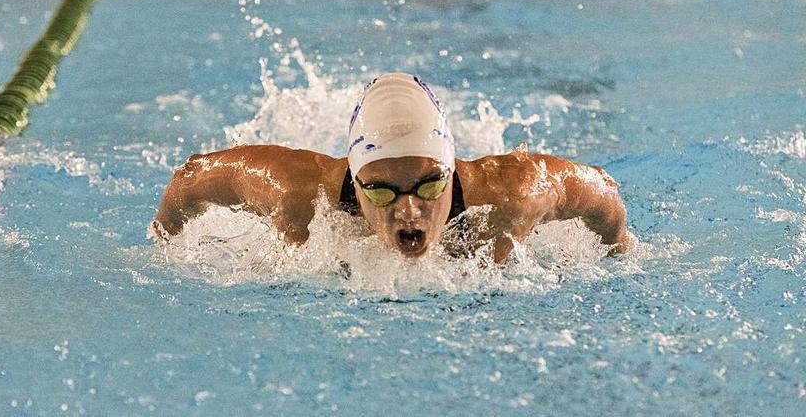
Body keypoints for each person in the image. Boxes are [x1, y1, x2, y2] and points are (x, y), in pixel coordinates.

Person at [153, 73, 630, 262]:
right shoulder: (297, 194)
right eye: (381, 191)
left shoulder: (515, 194)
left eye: (428, 186)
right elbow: (192, 177)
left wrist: (618, 252)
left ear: (449, 170)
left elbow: (603, 193)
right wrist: (164, 242)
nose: (408, 211)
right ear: (354, 179)